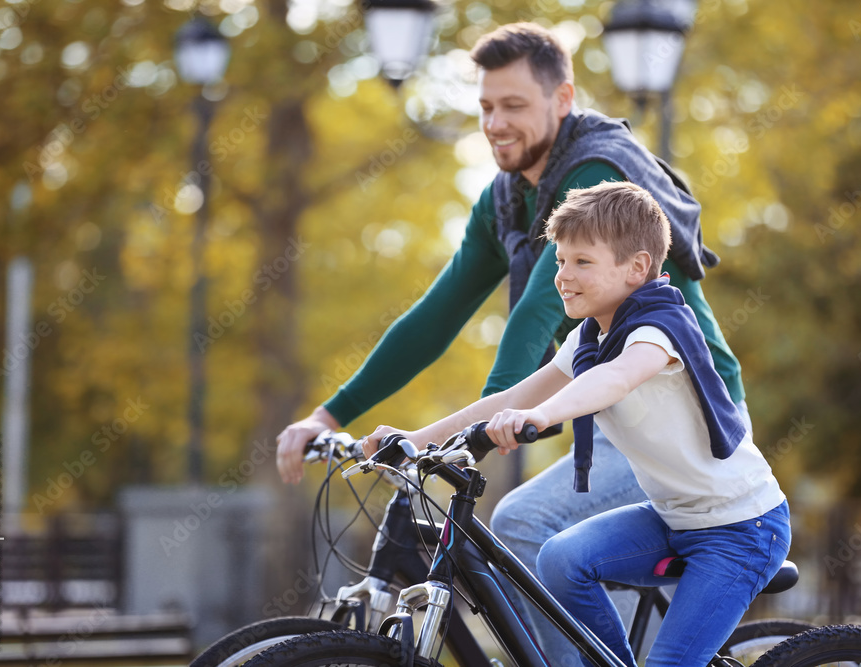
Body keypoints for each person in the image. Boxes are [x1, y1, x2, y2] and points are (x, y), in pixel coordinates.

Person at [277, 22, 750, 661]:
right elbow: (435, 315)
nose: (495, 123)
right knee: (541, 543)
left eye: (514, 106)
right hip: (609, 409)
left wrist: (490, 428)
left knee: (524, 523)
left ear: (562, 100)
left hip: (686, 417)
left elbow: (536, 314)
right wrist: (329, 415)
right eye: (486, 107)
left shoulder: (597, 171)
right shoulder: (506, 198)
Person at [365, 181, 790, 667]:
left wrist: (539, 416)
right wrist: (414, 439)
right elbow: (512, 395)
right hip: (675, 518)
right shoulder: (589, 338)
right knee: (560, 560)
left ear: (637, 268)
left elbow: (615, 379)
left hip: (742, 528)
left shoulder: (662, 329)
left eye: (582, 262)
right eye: (560, 261)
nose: (563, 275)